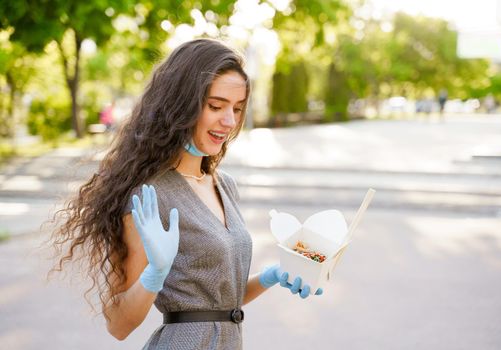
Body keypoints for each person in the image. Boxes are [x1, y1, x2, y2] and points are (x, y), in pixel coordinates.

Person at [49, 38, 322, 349]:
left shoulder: (223, 185)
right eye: (216, 106)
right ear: (181, 105)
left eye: (237, 108)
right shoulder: (149, 196)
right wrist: (155, 273)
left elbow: (212, 306)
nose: (230, 121)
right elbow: (118, 324)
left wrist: (268, 277)